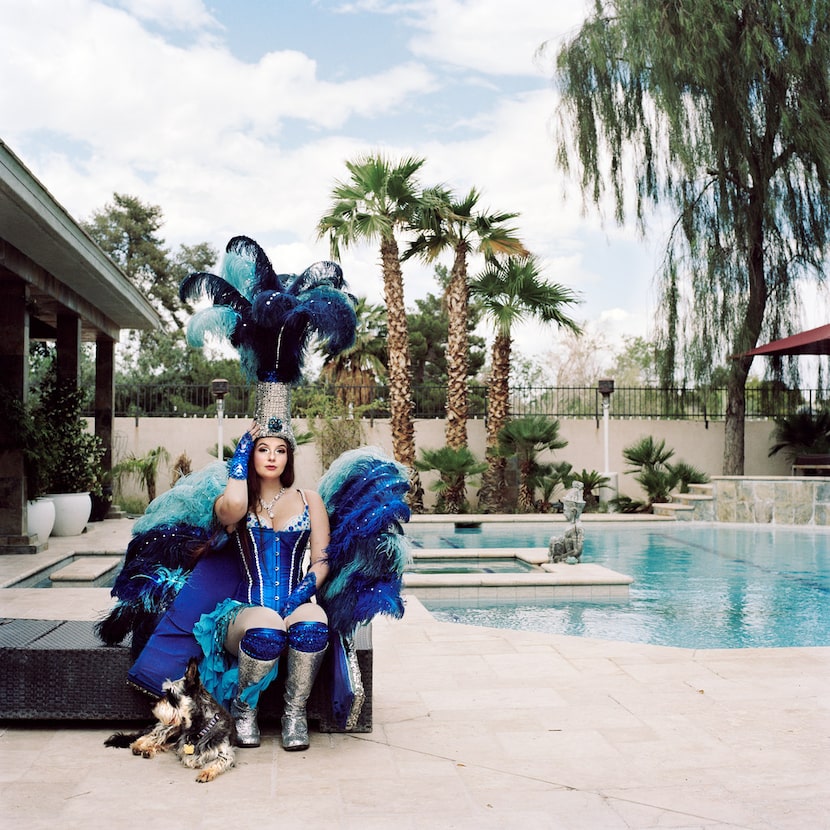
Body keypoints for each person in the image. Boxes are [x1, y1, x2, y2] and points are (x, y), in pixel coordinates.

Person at [192, 421, 331, 749]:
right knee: (268, 627)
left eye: (280, 450)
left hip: (295, 599)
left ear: (289, 458)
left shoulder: (310, 500)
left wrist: (299, 596)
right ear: (250, 455)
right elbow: (231, 510)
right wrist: (238, 460)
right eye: (262, 449)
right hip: (244, 612)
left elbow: (322, 561)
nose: (272, 457)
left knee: (314, 623)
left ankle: (294, 713)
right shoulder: (234, 502)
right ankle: (244, 709)